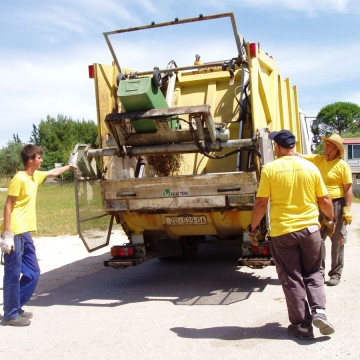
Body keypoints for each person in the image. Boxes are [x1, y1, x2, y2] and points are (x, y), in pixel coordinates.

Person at [250, 129, 336, 340]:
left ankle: (302, 325)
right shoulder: (310, 167)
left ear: (277, 147)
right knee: (314, 272)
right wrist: (330, 219)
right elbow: (324, 199)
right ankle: (319, 312)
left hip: (283, 232)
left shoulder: (270, 169)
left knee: (292, 278)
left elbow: (261, 203)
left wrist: (252, 228)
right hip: (310, 230)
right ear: (294, 146)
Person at [0, 144, 77, 326]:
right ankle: (11, 314)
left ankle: (15, 306)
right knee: (12, 273)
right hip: (15, 231)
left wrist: (71, 166)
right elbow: (8, 205)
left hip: (25, 231)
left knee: (33, 272)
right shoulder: (19, 179)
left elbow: (53, 172)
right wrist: (6, 234)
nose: (41, 160)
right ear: (30, 160)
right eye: (39, 157)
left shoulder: (35, 176)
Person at [297, 134, 353, 286]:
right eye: (325, 144)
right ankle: (318, 272)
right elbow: (299, 156)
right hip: (320, 204)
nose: (325, 146)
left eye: (329, 145)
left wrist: (347, 209)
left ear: (336, 149)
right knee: (317, 239)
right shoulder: (318, 159)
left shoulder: (342, 166)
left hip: (337, 205)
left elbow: (348, 189)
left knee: (337, 241)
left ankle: (335, 274)